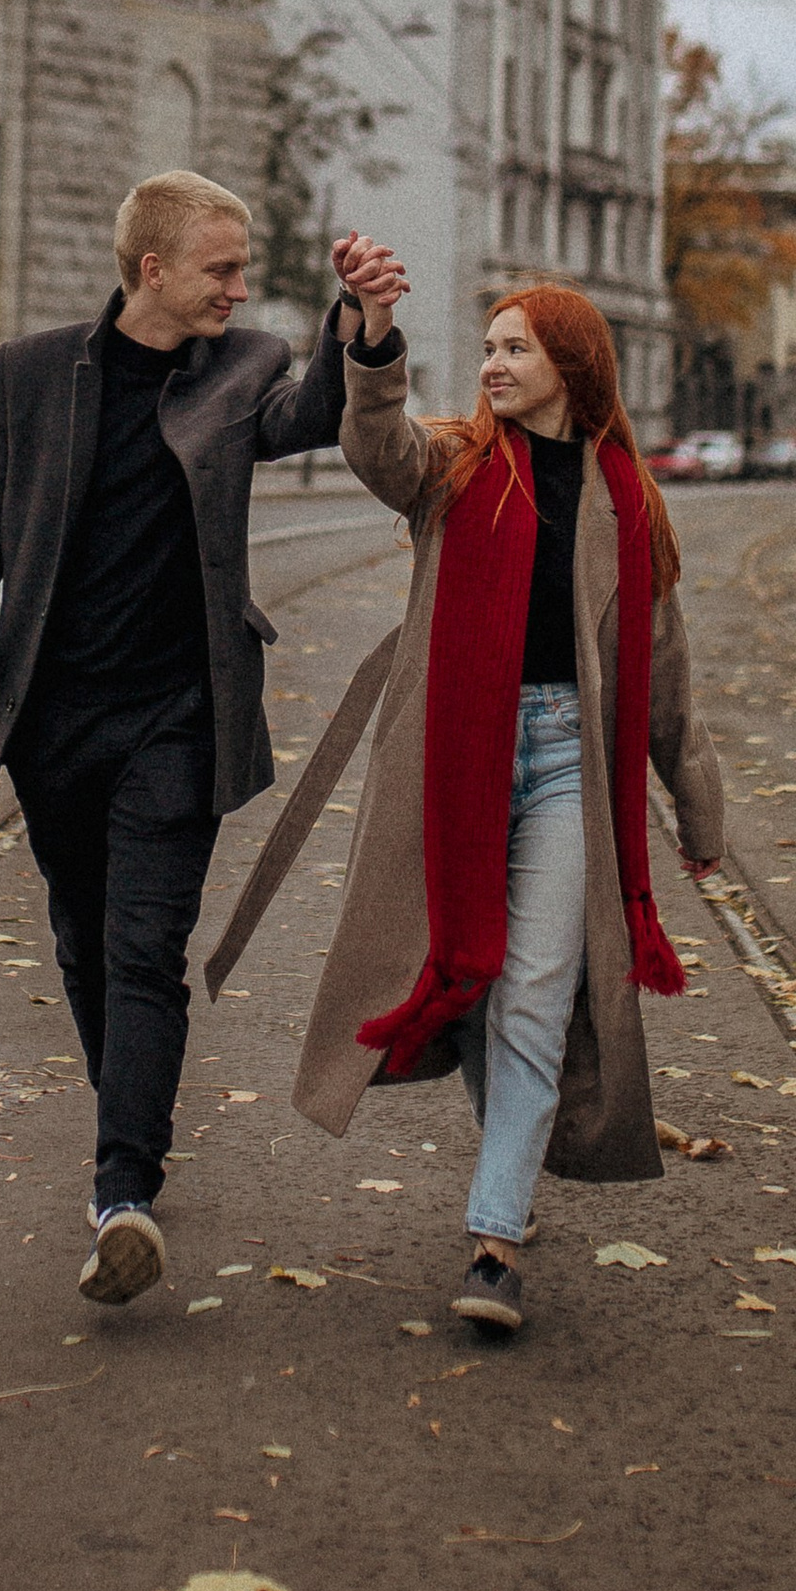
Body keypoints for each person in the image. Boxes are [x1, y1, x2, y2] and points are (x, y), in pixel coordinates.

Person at [0, 168, 407, 1309]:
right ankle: (126, 1121)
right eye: (220, 269)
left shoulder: (244, 369)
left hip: (180, 717)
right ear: (151, 270)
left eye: (242, 269)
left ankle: (123, 1193)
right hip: (50, 719)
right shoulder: (34, 374)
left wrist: (361, 323)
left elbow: (311, 415)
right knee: (86, 944)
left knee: (145, 948)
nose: (240, 289)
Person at [294, 282, 724, 1337]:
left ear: (569, 366)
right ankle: (513, 1157)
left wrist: (698, 811)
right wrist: (377, 337)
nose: (490, 364)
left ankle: (493, 1240)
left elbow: (663, 673)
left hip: (573, 766)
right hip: (460, 762)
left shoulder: (629, 503)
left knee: (536, 990)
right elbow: (372, 442)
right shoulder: (453, 466)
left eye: (514, 348)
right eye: (485, 345)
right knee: (483, 989)